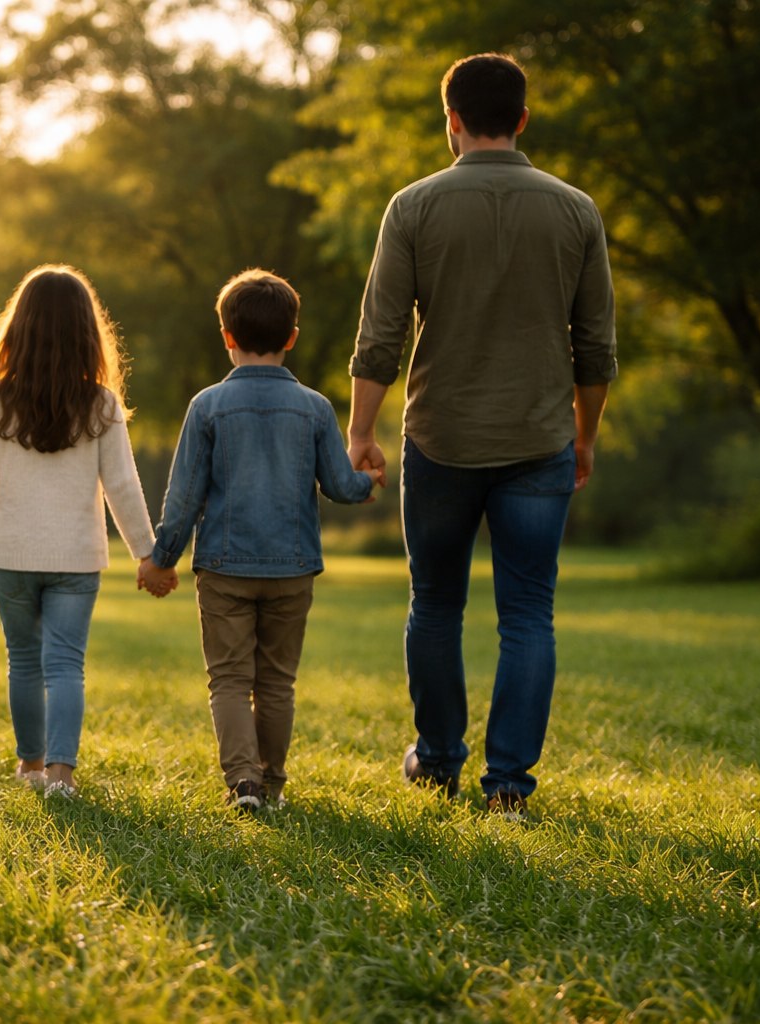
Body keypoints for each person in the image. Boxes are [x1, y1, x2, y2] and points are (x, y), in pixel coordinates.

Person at [345, 53, 617, 819]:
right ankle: (509, 787)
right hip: (539, 442)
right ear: (523, 120)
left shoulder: (413, 207)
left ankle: (436, 763)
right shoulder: (576, 210)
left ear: (451, 121)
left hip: (439, 440)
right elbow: (595, 348)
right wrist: (584, 437)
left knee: (435, 605)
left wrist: (361, 432)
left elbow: (380, 336)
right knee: (528, 614)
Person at [0, 265, 157, 799]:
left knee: (23, 659)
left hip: (11, 555)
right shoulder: (102, 404)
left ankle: (31, 766)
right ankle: (62, 776)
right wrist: (148, 554)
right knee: (65, 664)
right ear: (89, 334)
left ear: (18, 329)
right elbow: (123, 487)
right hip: (76, 559)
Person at [141, 269, 381, 814]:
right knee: (276, 681)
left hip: (225, 567)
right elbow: (340, 486)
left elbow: (183, 498)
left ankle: (242, 782)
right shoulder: (316, 408)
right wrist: (368, 481)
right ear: (292, 337)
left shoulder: (206, 407)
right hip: (293, 569)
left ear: (226, 336)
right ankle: (271, 783)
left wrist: (161, 559)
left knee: (228, 678)